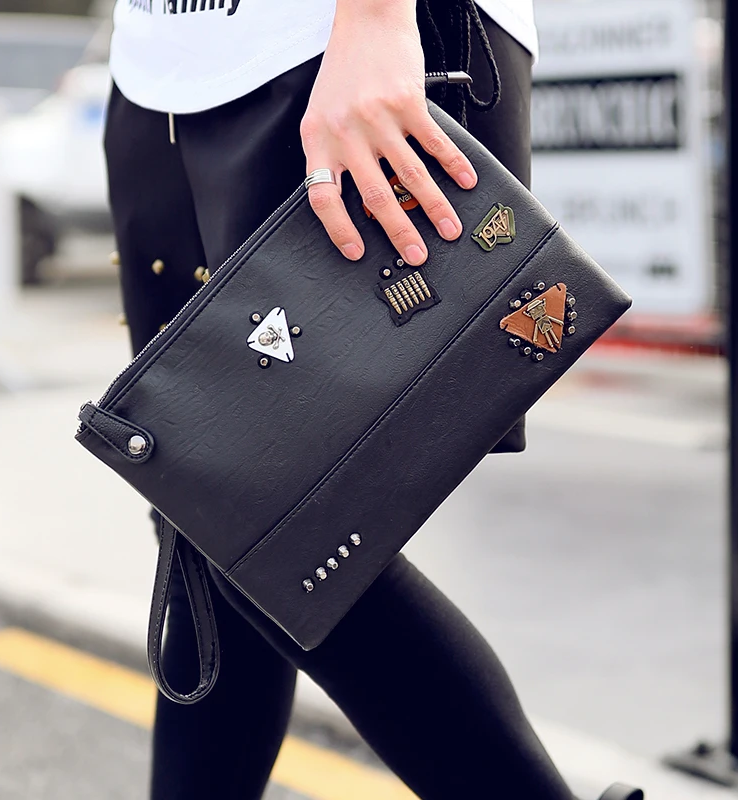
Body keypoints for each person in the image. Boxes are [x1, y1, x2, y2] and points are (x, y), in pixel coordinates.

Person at [103, 1, 643, 798]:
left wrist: (377, 22)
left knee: (261, 526)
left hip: (323, 46)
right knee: (201, 525)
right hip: (161, 65)